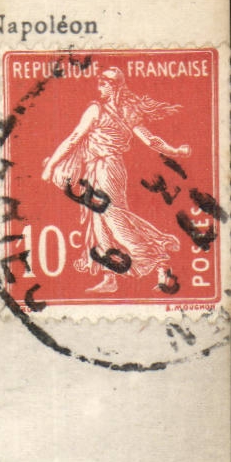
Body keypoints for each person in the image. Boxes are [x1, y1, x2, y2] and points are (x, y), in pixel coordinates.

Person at [40, 66, 189, 293]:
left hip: (106, 168)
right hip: (102, 168)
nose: (99, 88)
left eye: (103, 84)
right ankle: (110, 278)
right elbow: (152, 141)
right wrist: (175, 151)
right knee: (100, 223)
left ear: (113, 87)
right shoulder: (126, 111)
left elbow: (73, 139)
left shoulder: (97, 110)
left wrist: (51, 165)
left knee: (114, 220)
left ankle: (158, 256)